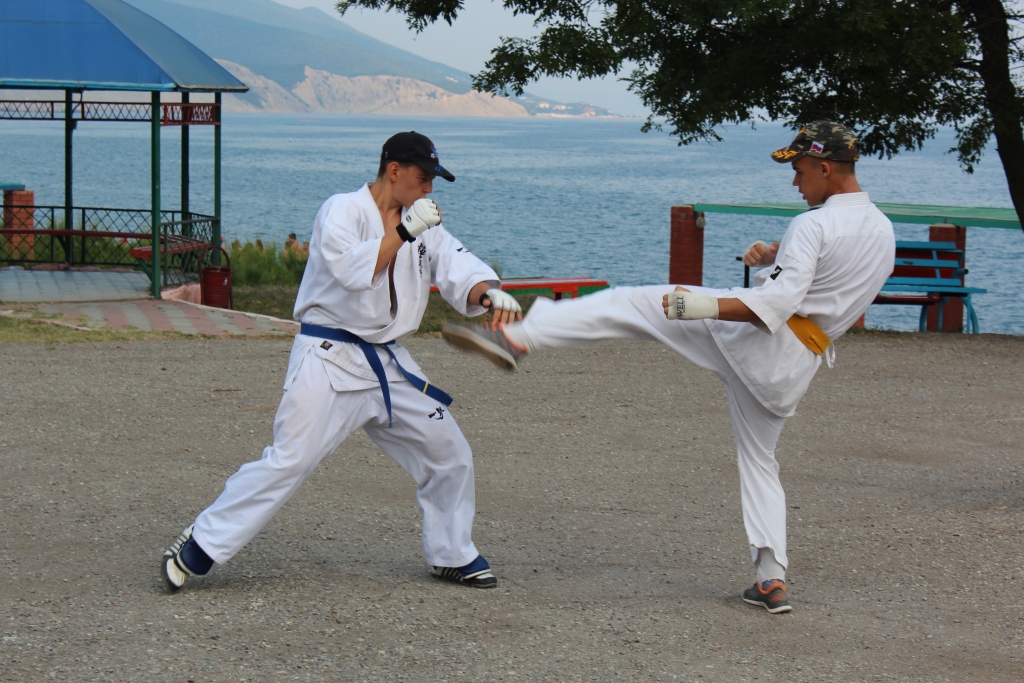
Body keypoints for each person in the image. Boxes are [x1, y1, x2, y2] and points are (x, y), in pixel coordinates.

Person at [440, 121, 895, 613]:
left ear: (825, 167)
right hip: (794, 366)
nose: (795, 181)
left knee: (630, 304)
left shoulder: (813, 224)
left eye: (801, 170)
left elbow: (778, 303)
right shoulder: (882, 230)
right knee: (761, 460)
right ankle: (771, 579)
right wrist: (775, 254)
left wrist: (702, 307)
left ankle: (516, 337)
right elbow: (827, 283)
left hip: (756, 341)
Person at [162, 131, 523, 592]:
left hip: (388, 363)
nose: (429, 188)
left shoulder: (423, 225)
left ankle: (452, 553)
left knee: (449, 453)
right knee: (290, 460)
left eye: (433, 179)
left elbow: (459, 268)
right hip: (328, 358)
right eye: (423, 177)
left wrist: (489, 295)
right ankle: (201, 542)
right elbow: (353, 271)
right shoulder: (341, 210)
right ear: (395, 170)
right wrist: (405, 231)